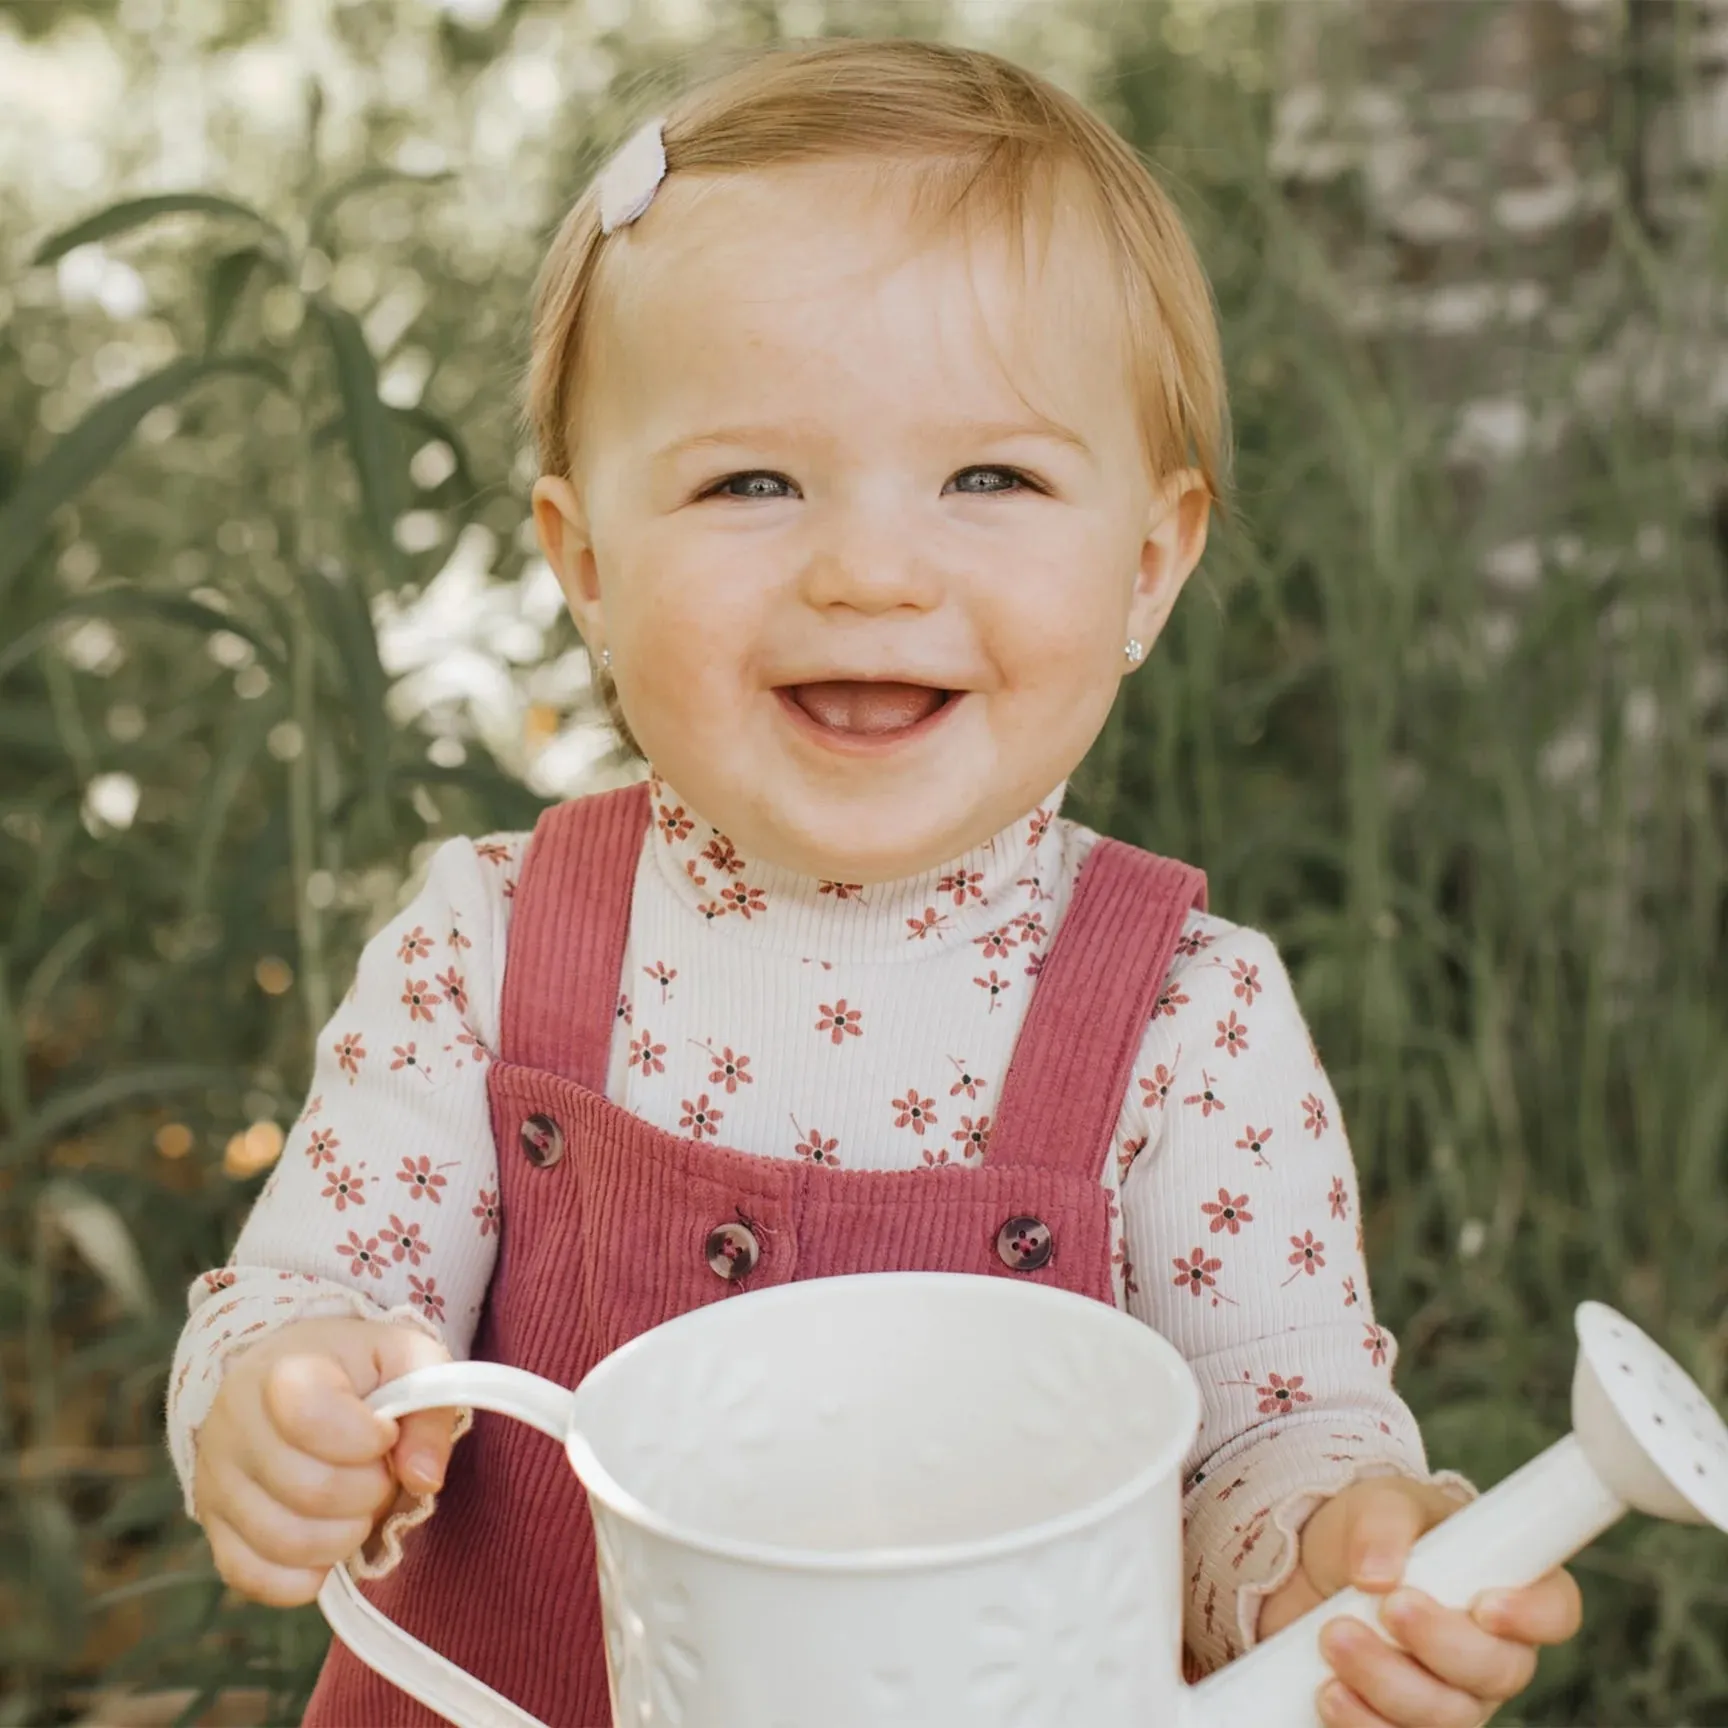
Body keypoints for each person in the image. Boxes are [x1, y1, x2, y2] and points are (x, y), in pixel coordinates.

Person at [167, 37, 1581, 1727]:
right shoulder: (487, 947)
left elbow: (1265, 1443)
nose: (869, 569)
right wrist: (291, 1402)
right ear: (587, 565)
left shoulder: (1186, 1020)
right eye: (751, 481)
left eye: (991, 477)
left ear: (1148, 562)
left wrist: (1335, 1558)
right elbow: (322, 1290)